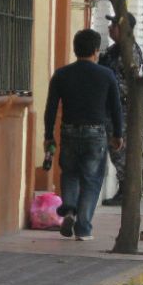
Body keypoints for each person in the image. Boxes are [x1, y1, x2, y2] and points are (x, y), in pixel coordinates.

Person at [43, 29, 124, 241]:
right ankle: (84, 228)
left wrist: (48, 135)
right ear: (96, 51)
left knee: (69, 173)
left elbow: (51, 107)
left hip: (69, 130)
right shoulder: (106, 75)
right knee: (92, 180)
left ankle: (69, 209)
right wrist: (118, 133)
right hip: (96, 132)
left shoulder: (61, 74)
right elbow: (116, 108)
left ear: (74, 48)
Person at [98, 12, 143, 206]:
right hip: (110, 107)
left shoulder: (129, 51)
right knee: (115, 150)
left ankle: (127, 191)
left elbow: (132, 82)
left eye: (114, 25)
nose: (110, 28)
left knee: (120, 150)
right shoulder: (114, 50)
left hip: (123, 108)